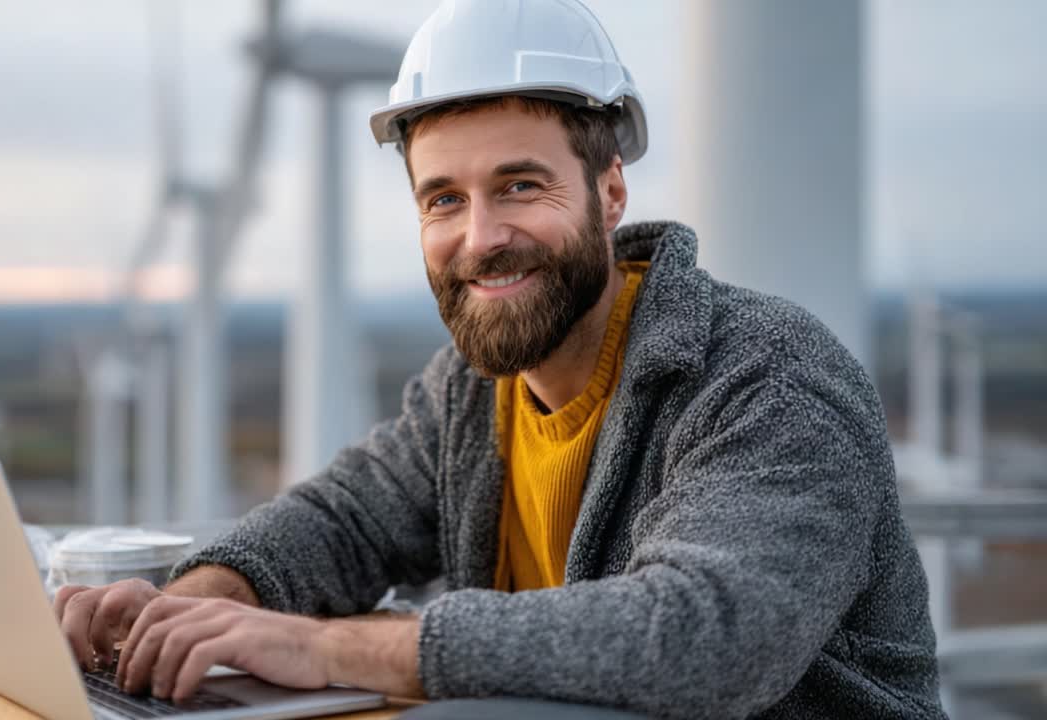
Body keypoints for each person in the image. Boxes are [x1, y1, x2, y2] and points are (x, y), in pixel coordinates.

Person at [55, 0, 946, 716]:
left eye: (520, 185)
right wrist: (204, 598)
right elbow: (348, 519)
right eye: (443, 200)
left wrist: (326, 650)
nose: (481, 238)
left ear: (609, 192)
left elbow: (709, 640)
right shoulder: (473, 391)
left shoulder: (766, 374)